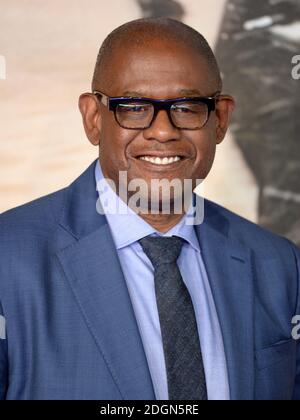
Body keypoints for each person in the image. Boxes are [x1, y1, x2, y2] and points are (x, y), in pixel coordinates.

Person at [0, 17, 299, 401]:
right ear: (93, 119)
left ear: (220, 119)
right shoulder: (8, 259)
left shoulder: (279, 265)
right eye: (135, 107)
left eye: (188, 107)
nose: (162, 131)